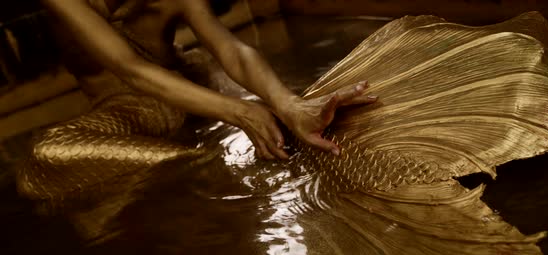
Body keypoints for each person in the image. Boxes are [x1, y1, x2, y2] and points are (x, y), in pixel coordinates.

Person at [41, 0, 377, 159]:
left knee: (284, 113)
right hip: (132, 106)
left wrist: (289, 103)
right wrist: (240, 112)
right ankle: (190, 156)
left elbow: (230, 49)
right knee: (48, 157)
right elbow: (132, 70)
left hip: (190, 80)